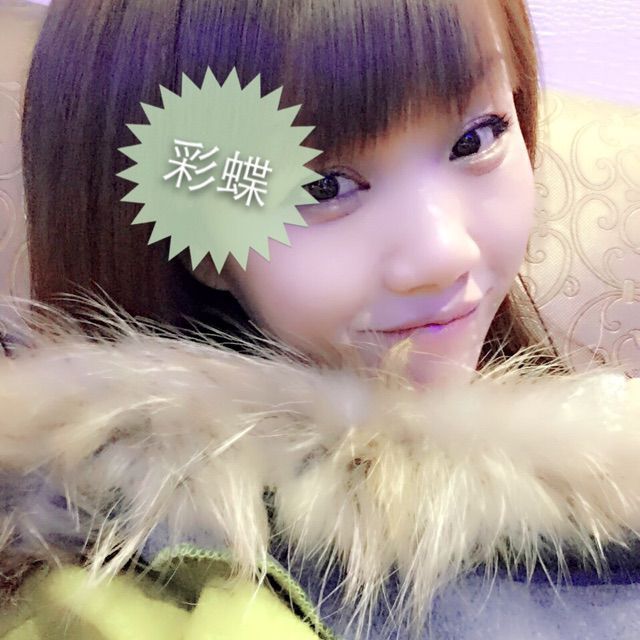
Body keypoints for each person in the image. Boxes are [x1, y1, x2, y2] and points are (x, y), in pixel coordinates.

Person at [1, 0, 639, 638]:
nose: (443, 253)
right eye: (322, 186)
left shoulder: (599, 437)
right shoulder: (145, 592)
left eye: (476, 137)